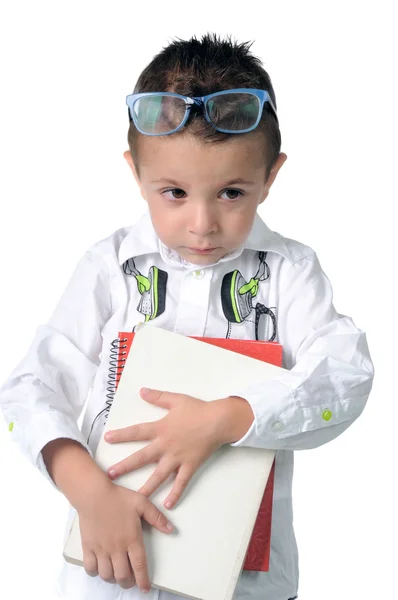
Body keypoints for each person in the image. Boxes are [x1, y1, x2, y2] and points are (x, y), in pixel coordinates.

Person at [0, 33, 374, 600]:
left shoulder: (289, 272)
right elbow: (30, 388)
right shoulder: (109, 267)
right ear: (135, 173)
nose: (201, 223)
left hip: (247, 582)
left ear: (270, 177)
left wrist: (226, 418)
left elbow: (346, 375)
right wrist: (88, 493)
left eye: (231, 193)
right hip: (112, 573)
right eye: (173, 192)